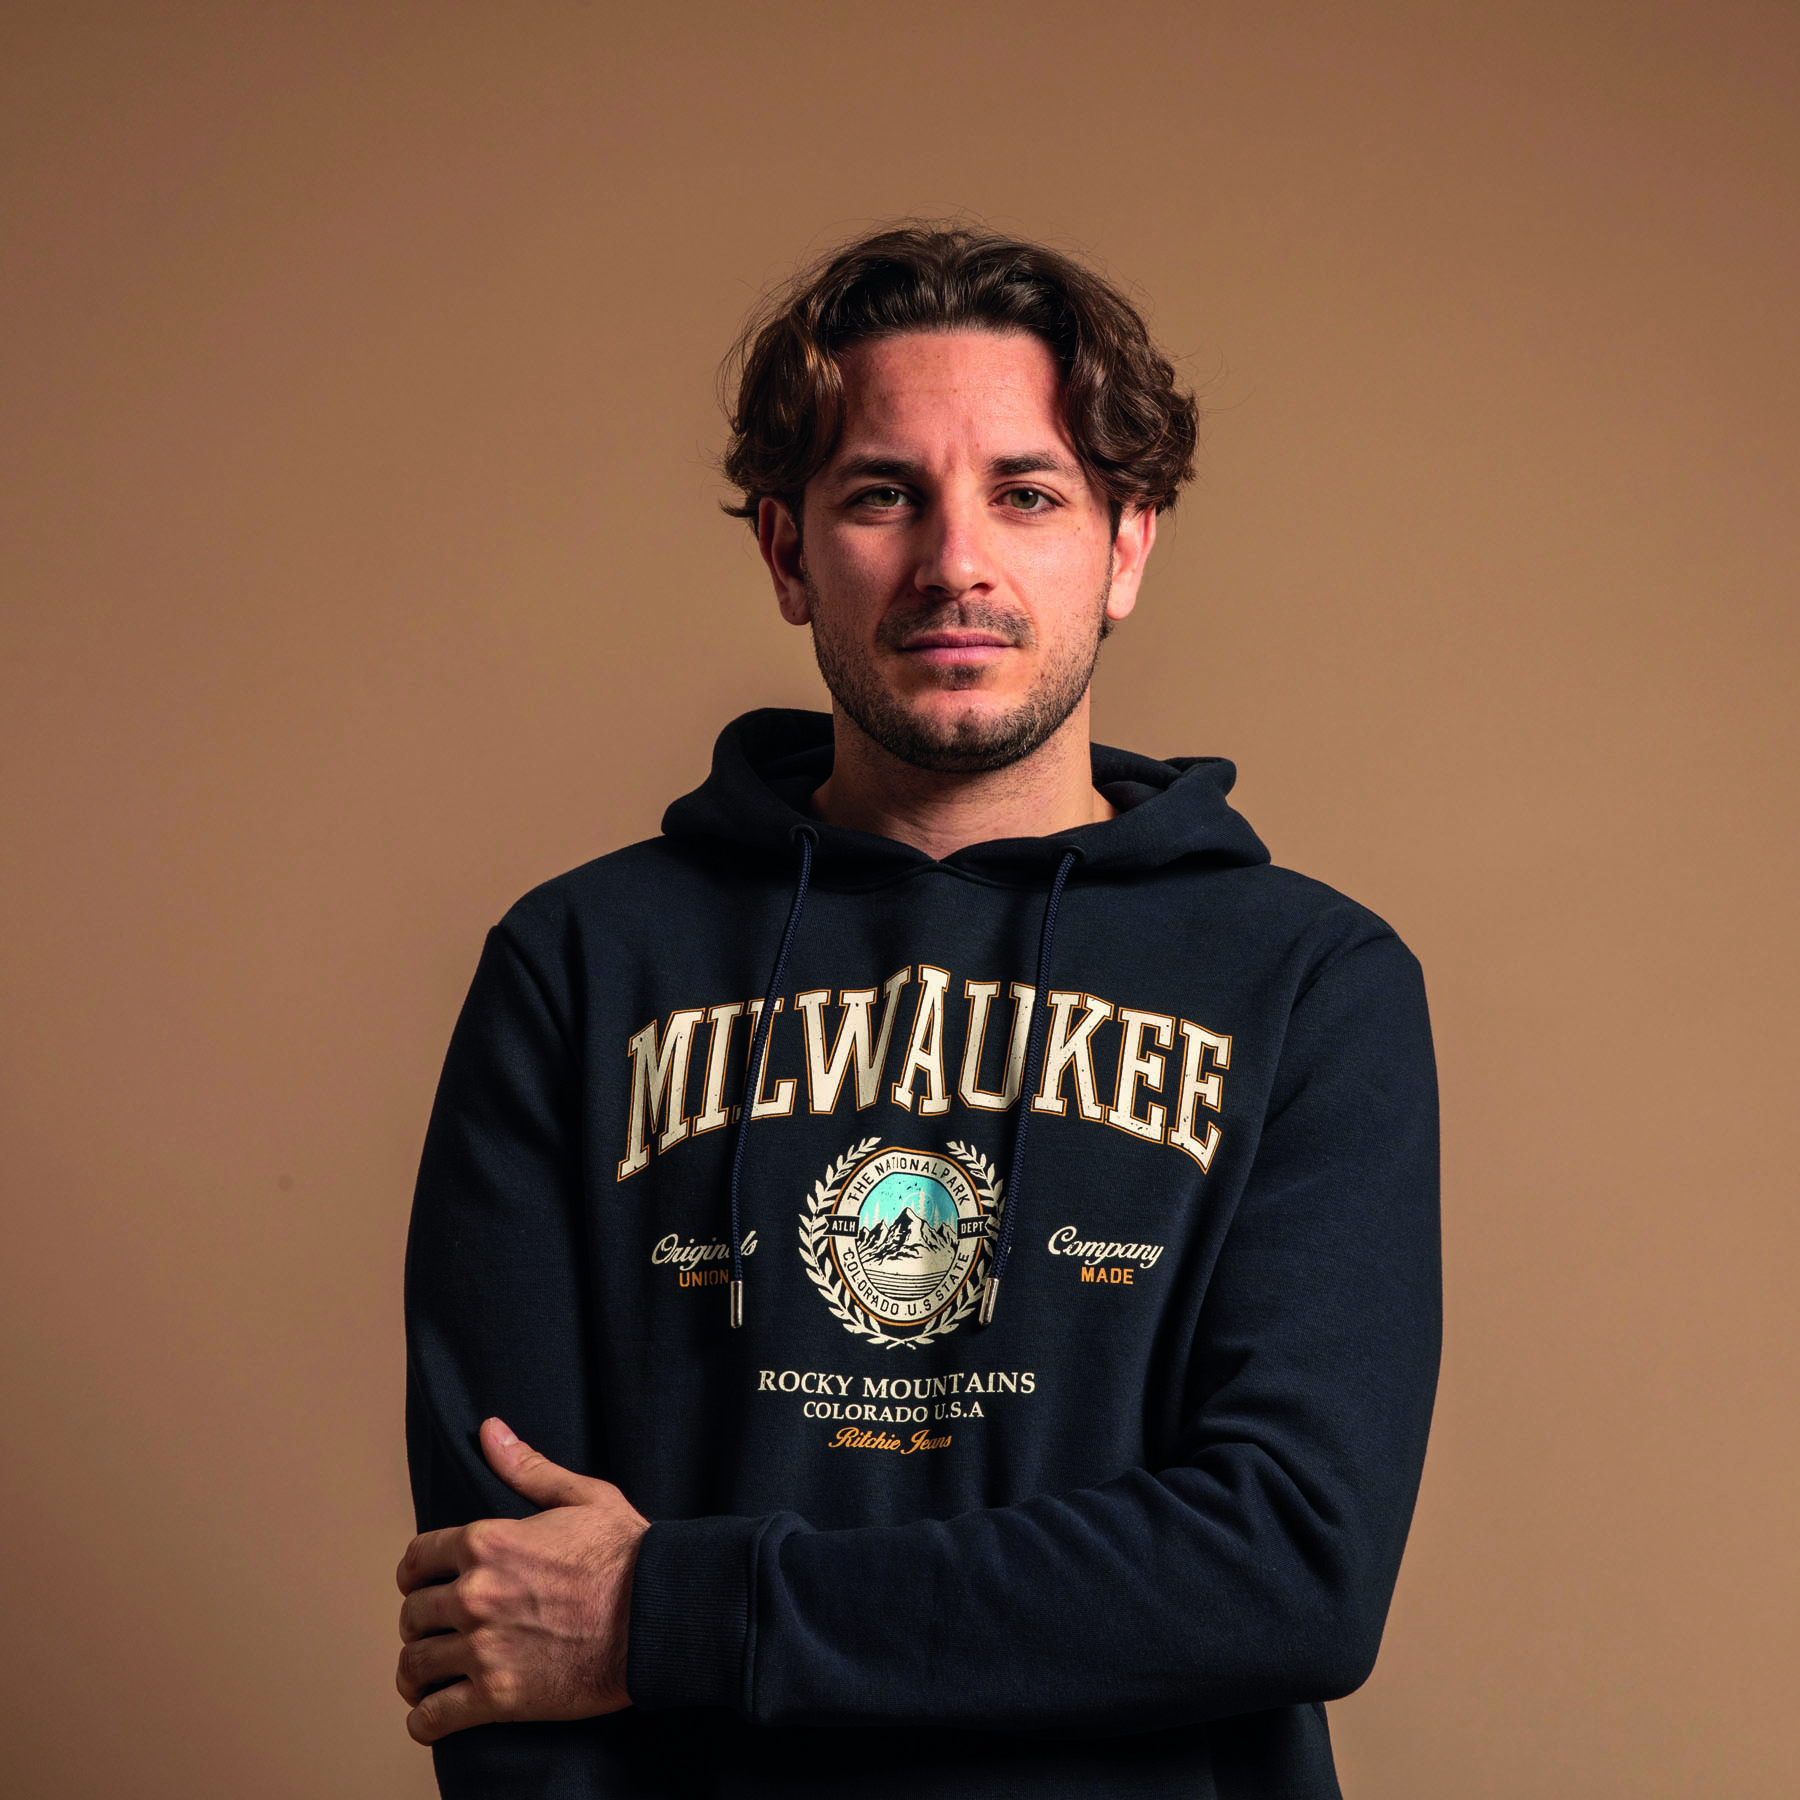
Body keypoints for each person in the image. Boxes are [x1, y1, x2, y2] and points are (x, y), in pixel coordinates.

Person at [396, 224, 1440, 1800]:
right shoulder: (579, 965)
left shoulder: (1310, 984)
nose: (957, 562)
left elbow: (1290, 1569)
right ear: (786, 552)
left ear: (1127, 546)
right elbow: (508, 1614)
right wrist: (610, 1622)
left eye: (1027, 495)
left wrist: (674, 1611)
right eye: (884, 495)